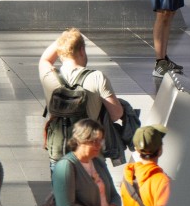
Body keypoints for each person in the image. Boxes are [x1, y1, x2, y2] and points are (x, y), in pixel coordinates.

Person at [37, 28, 124, 159]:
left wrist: (64, 39)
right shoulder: (98, 77)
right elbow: (116, 114)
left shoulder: (49, 75)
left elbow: (45, 59)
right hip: (89, 153)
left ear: (60, 52)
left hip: (59, 150)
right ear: (82, 50)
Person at [51, 118, 118, 206]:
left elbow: (114, 195)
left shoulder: (98, 163)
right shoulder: (66, 166)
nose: (99, 145)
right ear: (80, 140)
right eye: (94, 141)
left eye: (101, 141)